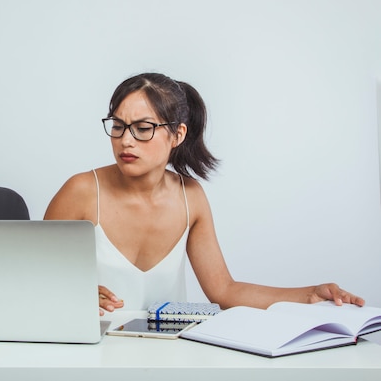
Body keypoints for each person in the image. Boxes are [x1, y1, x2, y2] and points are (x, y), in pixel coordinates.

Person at [44, 72, 365, 315]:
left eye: (143, 128)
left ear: (177, 134)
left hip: (170, 358)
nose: (126, 140)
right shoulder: (82, 191)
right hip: (94, 353)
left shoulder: (190, 196)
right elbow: (36, 282)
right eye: (117, 125)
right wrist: (75, 293)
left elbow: (223, 289)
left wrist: (309, 295)